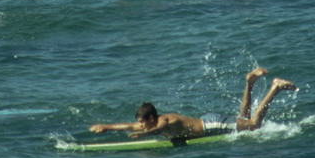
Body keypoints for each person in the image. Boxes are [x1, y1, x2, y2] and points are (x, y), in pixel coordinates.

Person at [90, 67, 297, 138]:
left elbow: (156, 129)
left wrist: (145, 133)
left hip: (210, 125)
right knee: (243, 120)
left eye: (143, 123)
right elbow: (127, 125)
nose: (140, 125)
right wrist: (106, 127)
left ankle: (274, 88)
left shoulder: (164, 121)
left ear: (151, 118)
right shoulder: (151, 122)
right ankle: (249, 83)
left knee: (253, 125)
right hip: (208, 122)